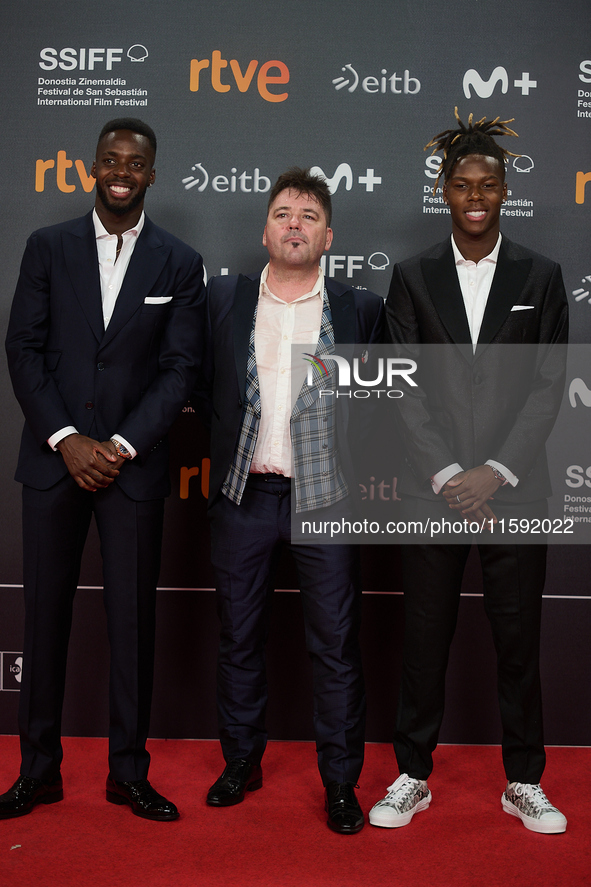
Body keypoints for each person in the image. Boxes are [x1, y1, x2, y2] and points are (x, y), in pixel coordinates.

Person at [369, 110, 568, 834]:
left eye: (487, 183)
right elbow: (403, 387)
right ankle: (412, 776)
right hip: (435, 492)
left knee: (517, 640)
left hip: (515, 491)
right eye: (461, 183)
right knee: (424, 637)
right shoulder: (411, 277)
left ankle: (524, 780)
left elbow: (549, 384)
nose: (474, 194)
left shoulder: (540, 276)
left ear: (505, 189)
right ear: (443, 192)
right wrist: (453, 473)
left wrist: (498, 471)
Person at [1, 118, 205, 821]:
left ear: (152, 173)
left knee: (132, 623)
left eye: (136, 162)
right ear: (92, 167)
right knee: (44, 616)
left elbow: (181, 368)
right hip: (55, 461)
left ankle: (128, 772)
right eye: (111, 159)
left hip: (132, 468)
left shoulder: (179, 261)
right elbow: (22, 348)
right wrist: (65, 438)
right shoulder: (46, 246)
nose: (122, 170)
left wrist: (117, 446)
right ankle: (38, 770)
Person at [201, 167, 384, 834]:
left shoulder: (358, 308)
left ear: (327, 234)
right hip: (244, 494)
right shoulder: (225, 301)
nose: (294, 224)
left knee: (335, 646)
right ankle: (240, 762)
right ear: (265, 230)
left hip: (325, 500)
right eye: (282, 213)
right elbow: (197, 387)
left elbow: (384, 403)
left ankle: (340, 782)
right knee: (238, 639)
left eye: (307, 215)